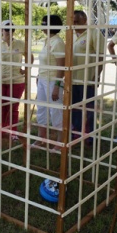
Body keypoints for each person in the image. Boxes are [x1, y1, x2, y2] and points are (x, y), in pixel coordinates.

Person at [0, 20, 33, 141]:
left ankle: (13, 132)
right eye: (6, 29)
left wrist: (26, 69)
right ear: (1, 30)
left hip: (16, 80)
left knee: (13, 107)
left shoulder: (20, 44)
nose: (9, 31)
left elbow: (30, 57)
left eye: (12, 29)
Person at [72, 10, 105, 147]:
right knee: (75, 108)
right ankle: (76, 134)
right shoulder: (71, 34)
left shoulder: (95, 33)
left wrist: (96, 76)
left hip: (87, 79)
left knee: (89, 109)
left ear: (84, 20)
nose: (74, 25)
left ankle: (89, 137)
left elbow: (100, 57)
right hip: (73, 79)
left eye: (76, 22)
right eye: (72, 22)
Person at [33, 15, 65, 151]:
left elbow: (61, 67)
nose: (41, 25)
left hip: (53, 81)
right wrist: (39, 76)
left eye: (44, 23)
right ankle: (41, 139)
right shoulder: (47, 40)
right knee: (41, 109)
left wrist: (57, 87)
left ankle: (60, 141)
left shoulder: (58, 42)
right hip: (42, 79)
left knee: (55, 110)